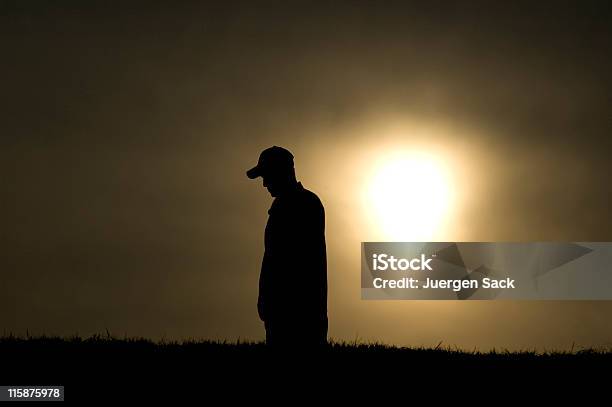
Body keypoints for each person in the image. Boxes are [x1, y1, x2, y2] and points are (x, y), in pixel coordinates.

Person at [246, 146, 328, 347]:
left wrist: (271, 298)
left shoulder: (302, 204)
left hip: (298, 314)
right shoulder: (292, 204)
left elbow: (287, 261)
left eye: (267, 176)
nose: (264, 184)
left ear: (282, 173)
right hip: (286, 311)